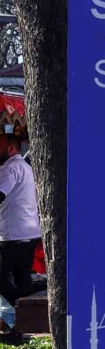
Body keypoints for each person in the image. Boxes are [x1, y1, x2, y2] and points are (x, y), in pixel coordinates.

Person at [0, 132, 39, 311]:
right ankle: (25, 319)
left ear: (11, 148)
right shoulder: (25, 166)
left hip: (14, 234)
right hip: (29, 232)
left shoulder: (10, 168)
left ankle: (20, 309)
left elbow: (0, 193)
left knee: (4, 279)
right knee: (22, 279)